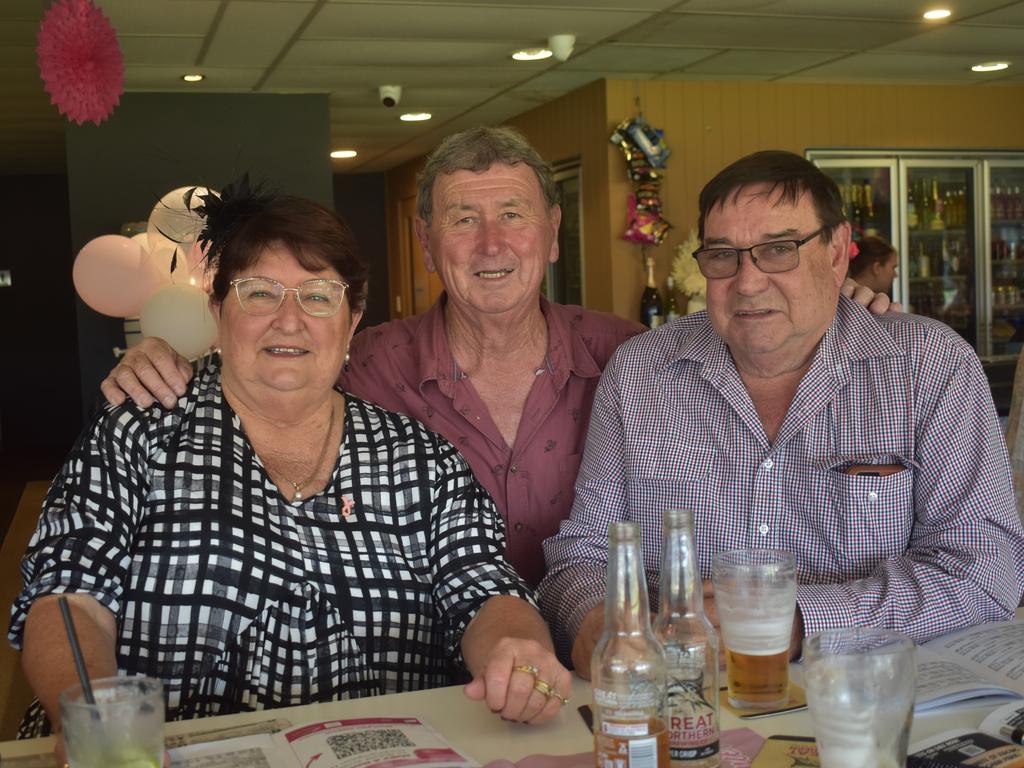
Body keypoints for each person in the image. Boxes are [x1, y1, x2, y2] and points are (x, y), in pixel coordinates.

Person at [98, 128, 895, 589]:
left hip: (608, 675)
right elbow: (269, 365)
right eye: (462, 220)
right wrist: (170, 360)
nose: (490, 245)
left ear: (550, 232)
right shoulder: (363, 363)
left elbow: (762, 316)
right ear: (426, 240)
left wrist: (850, 306)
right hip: (433, 681)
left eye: (512, 215)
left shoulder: (634, 357)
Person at [9, 183, 571, 744]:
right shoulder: (139, 432)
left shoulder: (419, 456)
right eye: (259, 293)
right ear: (216, 309)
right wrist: (91, 715)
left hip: (383, 753)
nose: (289, 319)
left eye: (319, 295)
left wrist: (513, 650)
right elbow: (68, 596)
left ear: (352, 320)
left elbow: (482, 589)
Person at [540, 150, 1024, 676]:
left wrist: (795, 622)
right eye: (723, 255)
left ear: (838, 253)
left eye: (778, 249)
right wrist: (591, 619)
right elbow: (584, 552)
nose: (747, 282)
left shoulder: (927, 367)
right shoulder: (642, 373)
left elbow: (984, 572)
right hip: (682, 700)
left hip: (864, 699)